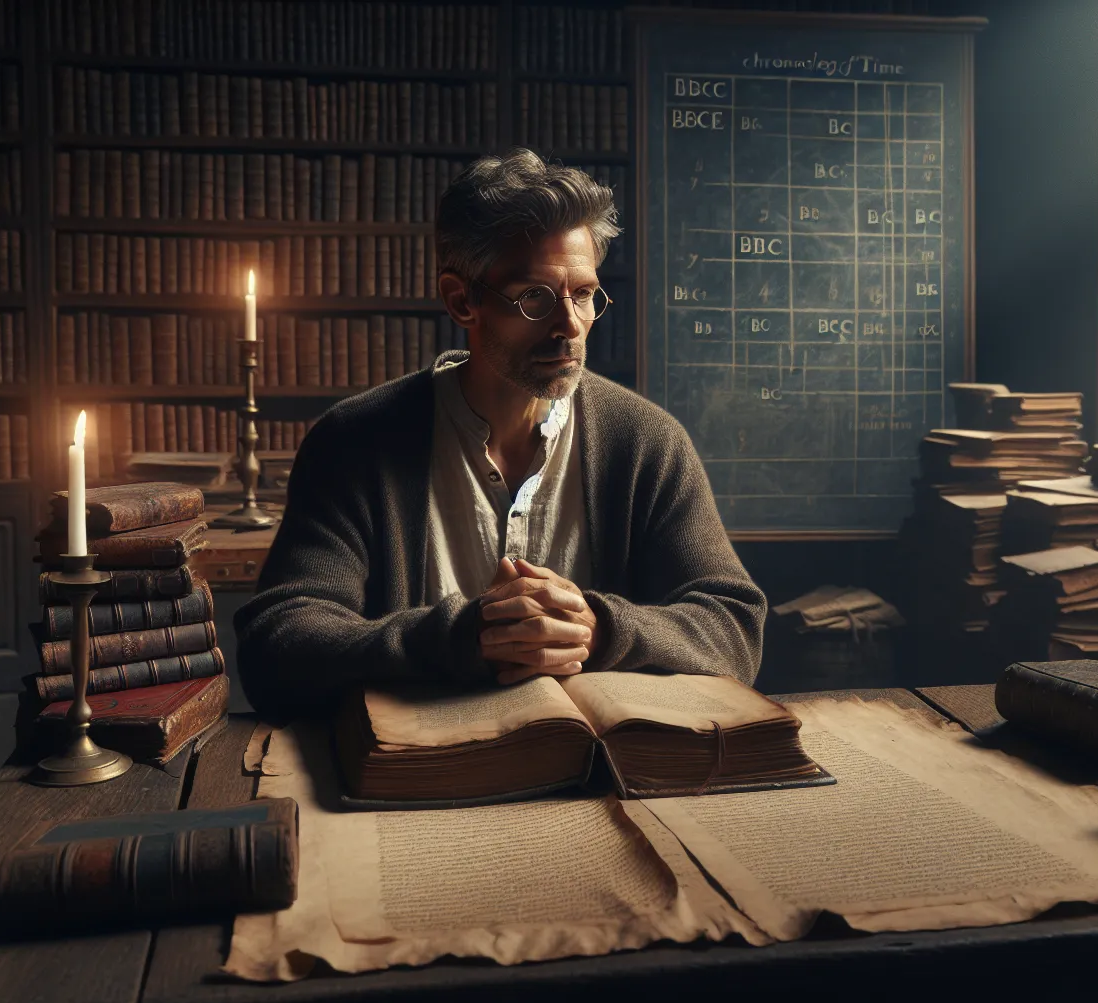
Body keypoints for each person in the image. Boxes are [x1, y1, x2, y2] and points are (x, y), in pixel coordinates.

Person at [234, 148, 766, 720]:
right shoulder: (355, 443)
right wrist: (464, 638)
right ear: (461, 300)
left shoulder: (646, 444)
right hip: (414, 782)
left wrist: (600, 628)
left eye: (583, 294)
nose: (569, 326)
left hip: (604, 780)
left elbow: (733, 626)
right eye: (533, 296)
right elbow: (277, 647)